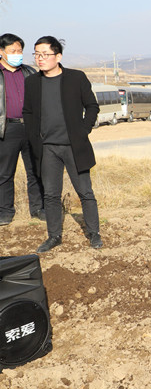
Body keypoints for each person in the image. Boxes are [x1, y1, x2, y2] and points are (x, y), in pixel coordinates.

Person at [22, 36, 102, 252]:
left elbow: (92, 106)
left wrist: (83, 130)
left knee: (85, 191)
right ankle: (54, 236)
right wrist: (33, 136)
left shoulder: (76, 78)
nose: (40, 59)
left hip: (74, 147)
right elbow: (28, 112)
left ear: (58, 56)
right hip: (47, 148)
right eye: (37, 54)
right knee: (50, 194)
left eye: (45, 54)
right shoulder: (32, 82)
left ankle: (94, 233)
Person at [0, 33, 44, 226]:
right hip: (7, 128)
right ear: (1, 52)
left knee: (35, 170)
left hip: (30, 127)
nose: (17, 54)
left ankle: (38, 209)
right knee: (4, 173)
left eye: (19, 51)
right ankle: (5, 212)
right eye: (12, 51)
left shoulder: (30, 72)